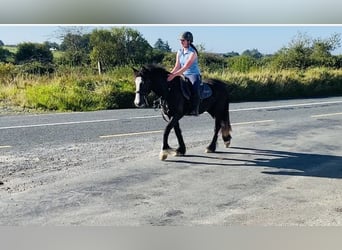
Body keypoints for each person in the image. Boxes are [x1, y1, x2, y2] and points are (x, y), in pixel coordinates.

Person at [167, 31, 201, 116]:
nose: (181, 42)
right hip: (182, 74)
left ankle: (194, 109)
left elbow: (186, 67)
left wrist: (175, 75)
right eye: (181, 40)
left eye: (183, 40)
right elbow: (177, 66)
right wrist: (170, 74)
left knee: (194, 88)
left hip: (193, 75)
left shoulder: (193, 53)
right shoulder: (179, 52)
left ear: (189, 41)